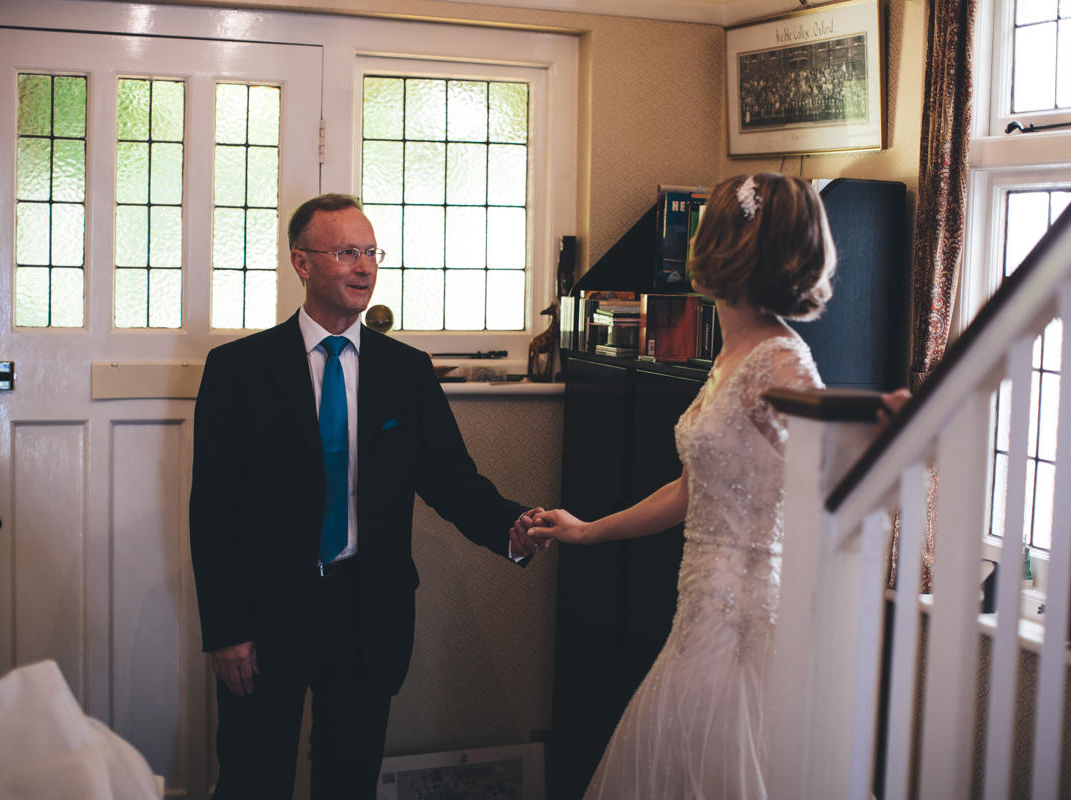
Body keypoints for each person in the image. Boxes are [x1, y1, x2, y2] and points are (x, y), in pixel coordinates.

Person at [523, 173, 906, 799]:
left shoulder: (781, 362)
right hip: (700, 609)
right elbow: (690, 490)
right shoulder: (732, 355)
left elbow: (829, 482)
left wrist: (880, 445)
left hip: (747, 620)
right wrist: (588, 530)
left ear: (728, 246)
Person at [189, 193, 547, 799]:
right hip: (266, 615)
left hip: (366, 612)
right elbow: (213, 510)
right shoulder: (238, 370)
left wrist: (511, 524)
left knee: (349, 782)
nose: (364, 267)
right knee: (253, 778)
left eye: (371, 252)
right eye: (346, 252)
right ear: (302, 263)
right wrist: (226, 626)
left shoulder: (406, 371)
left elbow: (450, 479)